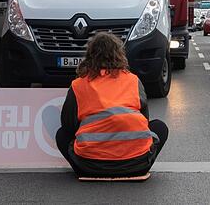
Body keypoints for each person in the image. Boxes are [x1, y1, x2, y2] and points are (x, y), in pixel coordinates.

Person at [55, 32, 168, 178]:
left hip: (89, 166)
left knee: (61, 134)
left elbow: (68, 125)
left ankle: (89, 162)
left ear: (89, 56)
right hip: (137, 164)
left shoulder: (79, 85)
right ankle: (137, 164)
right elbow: (145, 121)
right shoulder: (133, 80)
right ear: (119, 54)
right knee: (159, 127)